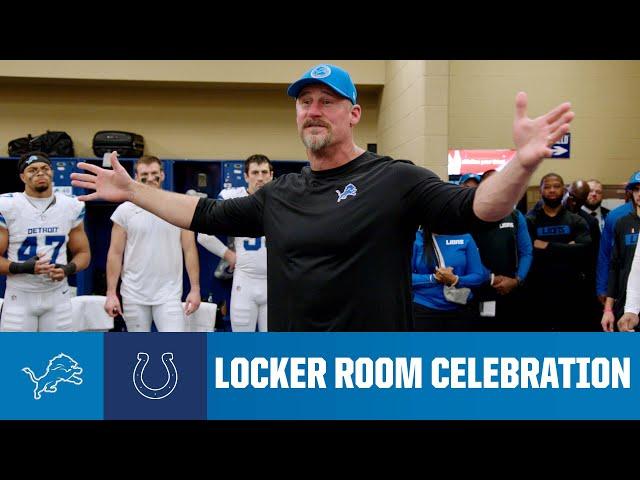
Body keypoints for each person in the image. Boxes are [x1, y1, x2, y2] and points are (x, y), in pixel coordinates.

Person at [71, 63, 574, 332]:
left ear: (353, 114)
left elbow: (480, 208)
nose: (313, 110)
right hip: (297, 370)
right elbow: (204, 213)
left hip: (371, 372)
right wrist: (134, 192)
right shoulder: (281, 194)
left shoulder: (393, 179)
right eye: (304, 102)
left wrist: (522, 163)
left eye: (327, 101)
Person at [104, 155, 201, 332]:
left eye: (154, 173)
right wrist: (111, 293)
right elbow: (115, 253)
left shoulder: (179, 206)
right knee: (140, 352)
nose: (150, 178)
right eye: (144, 174)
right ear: (135, 176)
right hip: (133, 293)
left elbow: (189, 250)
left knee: (174, 351)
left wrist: (195, 289)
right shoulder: (124, 211)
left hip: (169, 294)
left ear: (162, 175)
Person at [0, 152, 91, 331]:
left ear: (52, 172)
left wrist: (67, 269)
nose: (40, 173)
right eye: (32, 170)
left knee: (57, 355)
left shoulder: (71, 206)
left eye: (44, 168)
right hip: (20, 295)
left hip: (57, 295)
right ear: (22, 177)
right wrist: (22, 267)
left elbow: (84, 253)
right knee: (16, 356)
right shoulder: (7, 205)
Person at [197, 154, 273, 332]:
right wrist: (229, 255)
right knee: (241, 344)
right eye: (255, 172)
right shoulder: (233, 198)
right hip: (245, 279)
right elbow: (203, 234)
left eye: (264, 172)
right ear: (246, 176)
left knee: (273, 346)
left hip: (275, 282)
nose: (260, 177)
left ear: (271, 174)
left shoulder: (282, 198)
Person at [464, 169, 533, 331]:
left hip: (511, 288)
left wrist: (517, 280)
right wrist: (491, 278)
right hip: (482, 289)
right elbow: (466, 255)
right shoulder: (470, 217)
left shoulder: (515, 216)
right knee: (485, 333)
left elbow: (526, 252)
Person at [524, 173, 592, 331]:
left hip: (571, 292)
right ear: (540, 191)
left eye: (556, 186)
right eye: (547, 187)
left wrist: (547, 246)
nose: (552, 190)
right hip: (538, 292)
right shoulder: (530, 221)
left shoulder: (576, 220)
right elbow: (528, 252)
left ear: (564, 190)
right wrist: (569, 248)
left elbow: (584, 250)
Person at [411, 227, 488, 331]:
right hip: (424, 309)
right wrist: (433, 278)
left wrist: (456, 280)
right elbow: (404, 278)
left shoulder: (465, 237)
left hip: (460, 309)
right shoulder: (415, 238)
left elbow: (478, 276)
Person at [602, 181, 640, 331]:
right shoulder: (622, 223)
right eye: (636, 189)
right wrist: (608, 309)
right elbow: (614, 267)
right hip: (627, 301)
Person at [595, 173, 637, 305]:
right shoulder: (615, 216)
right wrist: (602, 287)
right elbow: (605, 254)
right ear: (630, 192)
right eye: (636, 189)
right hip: (623, 285)